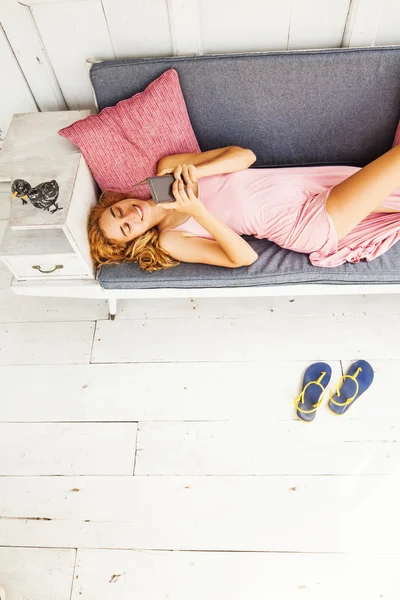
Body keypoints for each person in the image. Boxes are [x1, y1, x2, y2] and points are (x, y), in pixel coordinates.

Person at [88, 144, 400, 272]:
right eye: (127, 227)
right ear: (135, 238)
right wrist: (198, 211)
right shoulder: (172, 238)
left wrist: (199, 172)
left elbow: (245, 156)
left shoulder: (167, 168)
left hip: (311, 183)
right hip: (303, 223)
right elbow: (244, 258)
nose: (130, 215)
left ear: (118, 201)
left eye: (118, 212)